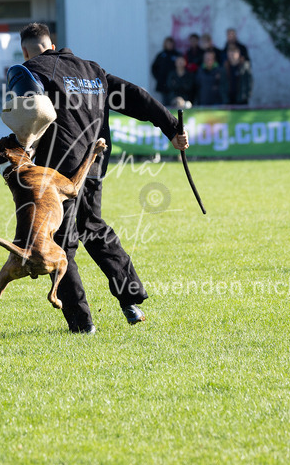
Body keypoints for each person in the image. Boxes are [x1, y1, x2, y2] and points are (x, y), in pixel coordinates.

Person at [14, 23, 189, 334]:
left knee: (59, 244)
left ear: (26, 51)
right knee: (93, 228)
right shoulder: (92, 70)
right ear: (52, 44)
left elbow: (26, 118)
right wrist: (172, 128)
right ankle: (130, 299)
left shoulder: (33, 71)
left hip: (59, 172)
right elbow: (137, 96)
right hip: (94, 164)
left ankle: (82, 324)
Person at [150, 37, 179, 105]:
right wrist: (159, 78)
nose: (170, 45)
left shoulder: (176, 55)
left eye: (171, 43)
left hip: (175, 84)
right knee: (165, 103)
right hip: (164, 84)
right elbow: (154, 68)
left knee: (176, 102)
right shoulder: (161, 55)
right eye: (168, 43)